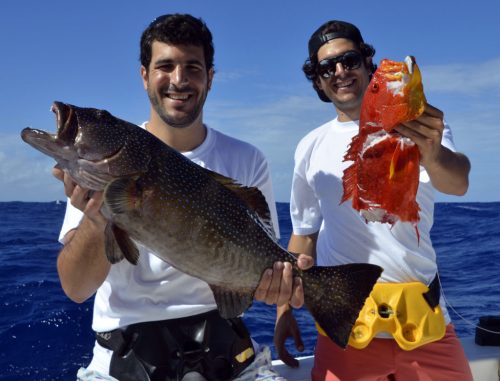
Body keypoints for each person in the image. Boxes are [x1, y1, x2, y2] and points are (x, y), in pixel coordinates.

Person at [54, 13, 289, 381]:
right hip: (124, 357)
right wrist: (97, 217)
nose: (179, 80)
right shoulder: (93, 174)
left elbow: (266, 263)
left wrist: (283, 290)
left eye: (192, 67)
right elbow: (76, 288)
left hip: (227, 349)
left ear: (210, 77)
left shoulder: (248, 160)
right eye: (165, 66)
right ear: (144, 75)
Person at [273, 20, 473, 380]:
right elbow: (304, 235)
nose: (340, 72)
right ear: (317, 81)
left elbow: (457, 184)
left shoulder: (417, 125)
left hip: (425, 325)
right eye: (326, 68)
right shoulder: (309, 147)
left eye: (349, 60)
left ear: (368, 64)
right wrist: (284, 310)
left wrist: (432, 152)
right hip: (346, 328)